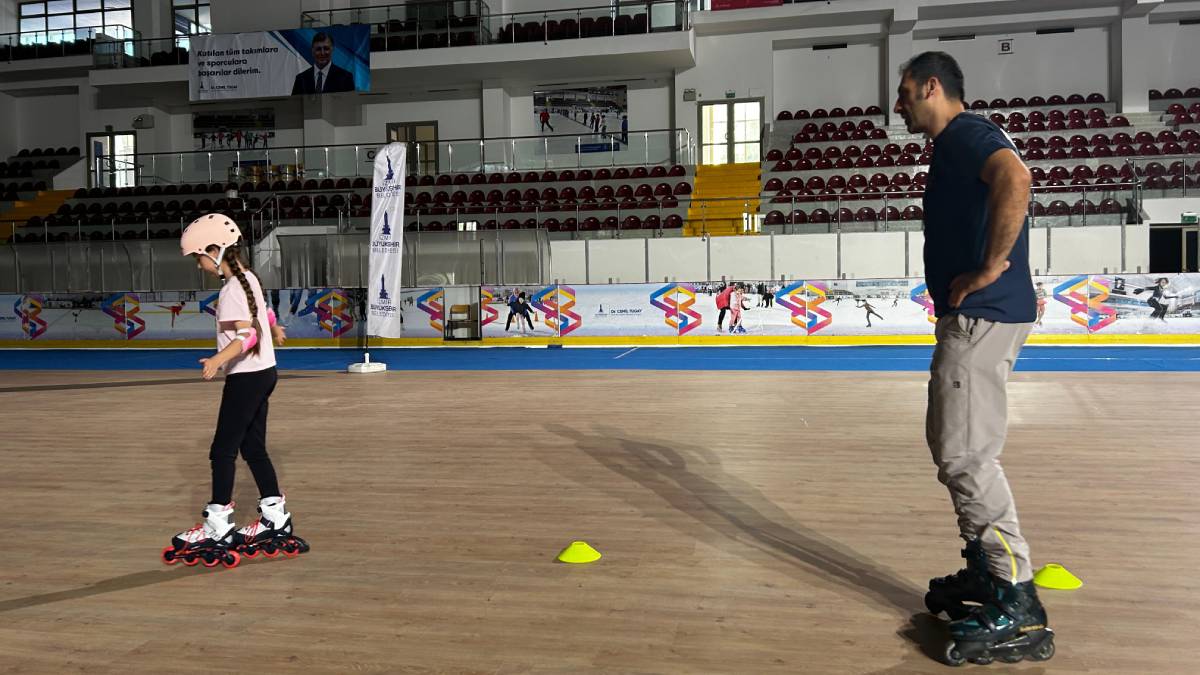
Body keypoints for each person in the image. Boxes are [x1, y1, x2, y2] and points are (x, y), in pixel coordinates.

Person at [894, 51, 1054, 664]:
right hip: (983, 318)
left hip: (981, 317)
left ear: (933, 87)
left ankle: (1017, 598)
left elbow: (1016, 179)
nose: (899, 104)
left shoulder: (965, 135)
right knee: (954, 446)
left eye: (906, 91)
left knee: (965, 455)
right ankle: (987, 570)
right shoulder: (960, 141)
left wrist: (989, 268)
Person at [162, 214, 307, 569]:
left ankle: (217, 526)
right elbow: (264, 316)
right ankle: (275, 516)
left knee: (222, 450)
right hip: (266, 373)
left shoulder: (229, 292)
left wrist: (217, 359)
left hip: (246, 376)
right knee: (253, 446)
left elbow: (247, 336)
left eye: (198, 257)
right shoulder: (250, 279)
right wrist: (277, 329)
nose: (198, 265)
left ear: (216, 251)